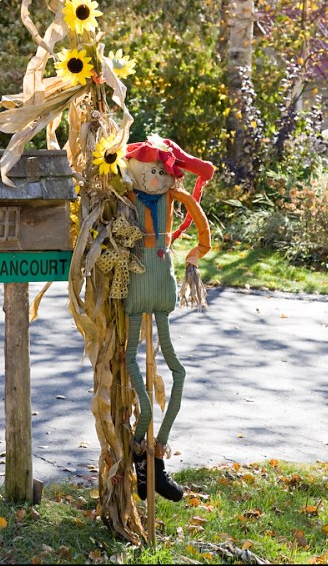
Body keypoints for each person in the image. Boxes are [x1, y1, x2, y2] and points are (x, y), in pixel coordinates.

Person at [121, 134, 214, 501]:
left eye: (162, 172)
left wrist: (194, 256)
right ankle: (141, 460)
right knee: (132, 359)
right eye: (148, 172)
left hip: (160, 282)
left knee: (178, 371)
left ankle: (155, 457)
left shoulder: (175, 198)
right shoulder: (127, 199)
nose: (155, 179)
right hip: (135, 283)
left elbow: (201, 222)